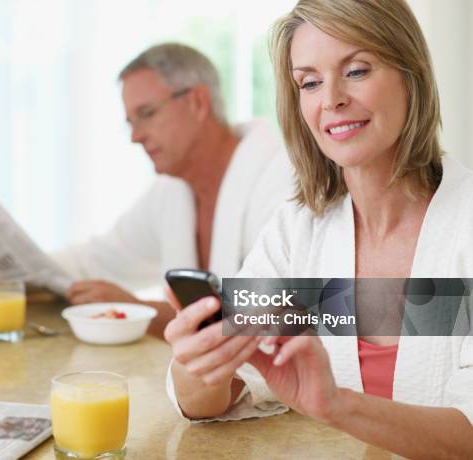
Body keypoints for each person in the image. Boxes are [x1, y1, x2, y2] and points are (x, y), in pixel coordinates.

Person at [164, 1, 473, 458]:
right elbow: (210, 401)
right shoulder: (297, 231)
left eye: (357, 70)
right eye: (309, 82)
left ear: (411, 74)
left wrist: (335, 405)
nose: (330, 99)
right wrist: (199, 360)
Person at [0, 43, 293, 336]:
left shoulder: (282, 181)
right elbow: (91, 264)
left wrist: (140, 312)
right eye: (131, 121)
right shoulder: (171, 194)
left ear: (197, 102)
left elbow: (295, 310)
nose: (135, 136)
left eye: (146, 113)